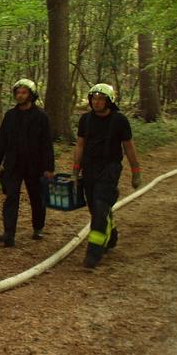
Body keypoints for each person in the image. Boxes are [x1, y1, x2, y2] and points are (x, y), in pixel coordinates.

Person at [73, 83, 142, 269]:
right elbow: (80, 145)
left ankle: (94, 252)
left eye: (101, 99)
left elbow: (129, 147)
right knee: (95, 209)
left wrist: (136, 172)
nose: (96, 102)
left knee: (101, 205)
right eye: (94, 99)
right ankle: (111, 235)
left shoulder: (119, 121)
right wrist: (75, 169)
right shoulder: (85, 120)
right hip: (89, 168)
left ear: (109, 101)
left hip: (110, 168)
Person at [0, 79, 55, 247]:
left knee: (36, 197)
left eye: (24, 92)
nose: (20, 95)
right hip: (13, 164)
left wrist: (48, 168)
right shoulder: (10, 116)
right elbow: (1, 140)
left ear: (31, 95)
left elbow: (47, 144)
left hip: (35, 165)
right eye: (18, 92)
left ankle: (38, 227)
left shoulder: (41, 117)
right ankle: (9, 234)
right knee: (11, 197)